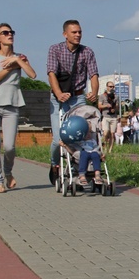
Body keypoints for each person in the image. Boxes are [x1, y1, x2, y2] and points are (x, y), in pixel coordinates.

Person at [0, 23, 37, 193]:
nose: (9, 34)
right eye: (5, 33)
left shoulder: (20, 57)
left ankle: (8, 173)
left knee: (10, 146)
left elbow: (33, 75)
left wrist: (18, 60)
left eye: (11, 32)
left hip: (12, 106)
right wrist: (12, 66)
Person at [47, 20, 98, 183]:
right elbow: (51, 73)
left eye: (80, 32)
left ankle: (79, 168)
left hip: (78, 97)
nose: (78, 35)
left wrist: (94, 92)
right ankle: (55, 164)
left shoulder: (87, 52)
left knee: (81, 136)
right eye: (74, 32)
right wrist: (58, 93)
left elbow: (94, 75)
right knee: (58, 139)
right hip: (58, 98)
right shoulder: (55, 49)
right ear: (65, 34)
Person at [98, 81, 118, 153]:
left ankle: (110, 150)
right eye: (110, 86)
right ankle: (104, 147)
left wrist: (114, 109)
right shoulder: (102, 96)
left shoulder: (116, 96)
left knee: (112, 134)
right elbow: (99, 106)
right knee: (106, 133)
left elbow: (117, 106)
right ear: (107, 87)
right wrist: (106, 105)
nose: (112, 88)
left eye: (113, 87)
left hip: (113, 117)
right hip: (105, 116)